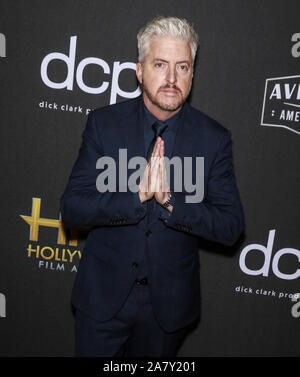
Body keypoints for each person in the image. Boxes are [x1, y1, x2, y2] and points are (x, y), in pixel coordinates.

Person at [60, 16, 245, 357]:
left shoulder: (213, 139)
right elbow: (72, 208)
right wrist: (137, 195)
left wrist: (170, 201)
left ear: (192, 73)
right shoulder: (104, 125)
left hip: (168, 311)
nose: (172, 78)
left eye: (183, 67)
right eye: (160, 64)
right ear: (140, 70)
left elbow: (230, 227)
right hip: (102, 301)